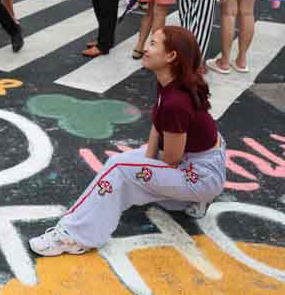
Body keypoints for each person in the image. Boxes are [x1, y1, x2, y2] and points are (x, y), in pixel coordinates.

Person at [29, 26, 226, 256]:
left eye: (153, 44)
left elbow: (171, 159)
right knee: (132, 166)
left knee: (119, 168)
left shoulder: (176, 102)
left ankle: (73, 236)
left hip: (199, 172)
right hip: (200, 162)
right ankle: (188, 202)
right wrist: (147, 161)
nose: (145, 49)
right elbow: (158, 124)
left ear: (171, 56)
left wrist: (143, 170)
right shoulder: (169, 83)